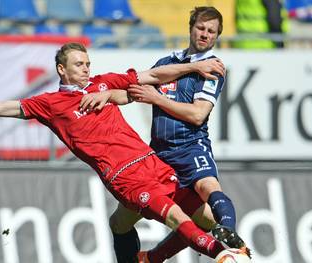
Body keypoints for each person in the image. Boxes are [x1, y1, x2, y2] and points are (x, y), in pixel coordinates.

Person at [0, 42, 239, 262]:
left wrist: (194, 66)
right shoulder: (50, 104)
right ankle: (220, 254)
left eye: (88, 63)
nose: (86, 69)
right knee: (174, 214)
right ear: (61, 70)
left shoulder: (103, 84)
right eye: (79, 64)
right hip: (123, 177)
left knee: (137, 224)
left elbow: (152, 76)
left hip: (149, 161)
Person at [80, 6, 250, 262]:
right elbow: (132, 92)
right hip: (157, 156)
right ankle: (145, 259)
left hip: (191, 147)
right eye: (201, 28)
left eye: (211, 31)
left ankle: (231, 239)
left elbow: (197, 115)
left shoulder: (213, 69)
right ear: (191, 28)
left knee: (208, 191)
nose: (205, 34)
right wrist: (106, 96)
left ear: (217, 36)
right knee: (119, 222)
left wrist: (157, 99)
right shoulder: (166, 64)